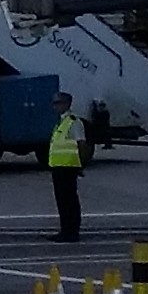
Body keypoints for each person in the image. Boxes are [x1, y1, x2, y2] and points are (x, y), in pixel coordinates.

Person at [47, 100, 87, 242]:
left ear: (66, 104)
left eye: (58, 103)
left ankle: (72, 231)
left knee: (69, 200)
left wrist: (81, 164)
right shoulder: (62, 122)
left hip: (68, 166)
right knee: (62, 200)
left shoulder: (73, 122)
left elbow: (81, 143)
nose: (55, 106)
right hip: (59, 166)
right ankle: (65, 229)